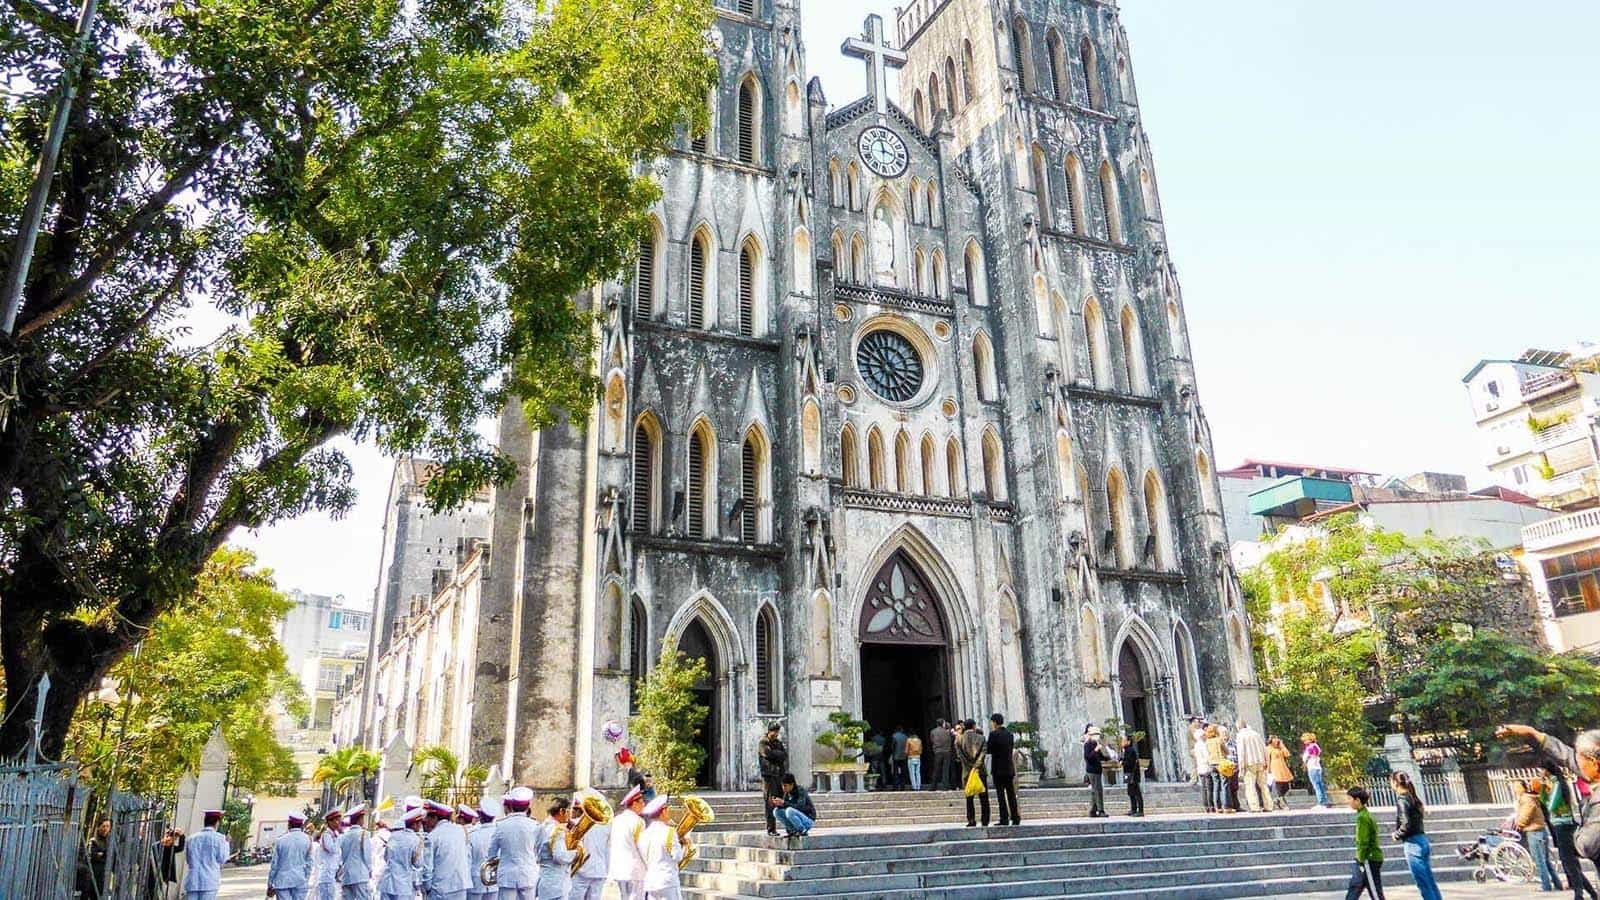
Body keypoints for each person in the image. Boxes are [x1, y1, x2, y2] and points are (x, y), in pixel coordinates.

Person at [1499, 724, 1600, 869]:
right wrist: (1532, 733)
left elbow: (1587, 846)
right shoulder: (1591, 767)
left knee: (1569, 865)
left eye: (1579, 759)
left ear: (1594, 763)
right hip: (1560, 822)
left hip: (1563, 823)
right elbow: (1566, 756)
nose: (1577, 764)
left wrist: (1572, 831)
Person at [1541, 761, 1599, 900]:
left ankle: (1579, 894)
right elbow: (1544, 801)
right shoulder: (1552, 784)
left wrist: (1544, 789)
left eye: (1541, 770)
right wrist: (1543, 788)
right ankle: (1590, 892)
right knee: (1570, 863)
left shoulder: (1556, 784)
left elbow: (1551, 806)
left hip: (1564, 827)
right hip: (1561, 826)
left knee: (1570, 863)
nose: (1540, 773)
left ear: (1546, 770)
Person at [1389, 772, 1442, 900]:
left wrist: (1397, 834)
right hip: (1422, 840)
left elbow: (1406, 824)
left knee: (1423, 884)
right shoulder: (1413, 798)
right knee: (1429, 881)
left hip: (1413, 843)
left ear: (1395, 783)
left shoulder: (1402, 800)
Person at [489, 786, 540, 900]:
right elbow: (539, 852)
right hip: (528, 875)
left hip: (507, 876)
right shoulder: (535, 825)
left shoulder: (501, 825)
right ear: (528, 807)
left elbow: (491, 853)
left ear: (511, 806)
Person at [1517, 778, 1562, 893]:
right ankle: (1557, 883)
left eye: (1517, 787)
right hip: (1541, 831)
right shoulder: (1533, 798)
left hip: (1534, 832)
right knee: (1545, 860)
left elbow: (1525, 815)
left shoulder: (1527, 799)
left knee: (1539, 861)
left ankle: (1545, 885)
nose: (1515, 790)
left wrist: (1519, 824)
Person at [636, 795, 684, 900]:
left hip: (651, 881)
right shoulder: (669, 832)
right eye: (667, 810)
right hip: (667, 881)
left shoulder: (643, 834)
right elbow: (677, 856)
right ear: (663, 812)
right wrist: (684, 845)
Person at [424, 799, 473, 900]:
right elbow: (468, 857)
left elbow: (427, 868)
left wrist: (427, 887)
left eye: (428, 817)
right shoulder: (460, 830)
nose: (426, 820)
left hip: (441, 888)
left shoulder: (432, 837)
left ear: (435, 818)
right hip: (461, 885)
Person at [605, 786, 647, 900]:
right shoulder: (638, 822)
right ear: (634, 804)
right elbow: (642, 848)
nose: (643, 805)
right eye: (641, 802)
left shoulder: (616, 820)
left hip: (617, 869)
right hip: (635, 871)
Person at [1344, 787, 1385, 900]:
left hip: (1368, 859)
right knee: (1354, 887)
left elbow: (1363, 841)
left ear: (1357, 800)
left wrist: (1360, 859)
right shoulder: (1365, 814)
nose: (1348, 801)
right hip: (1366, 859)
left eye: (1350, 799)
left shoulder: (1362, 818)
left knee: (1374, 891)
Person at [534, 798, 577, 899]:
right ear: (562, 811)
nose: (570, 815)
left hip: (545, 878)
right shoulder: (557, 831)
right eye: (568, 811)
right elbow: (560, 857)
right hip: (556, 882)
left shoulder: (543, 826)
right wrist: (576, 852)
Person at [569, 793, 610, 900]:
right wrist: (606, 870)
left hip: (581, 871)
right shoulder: (607, 825)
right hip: (599, 870)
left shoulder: (576, 824)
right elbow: (608, 850)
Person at [377, 808, 424, 900]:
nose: (420, 826)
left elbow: (386, 857)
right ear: (414, 824)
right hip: (403, 885)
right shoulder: (416, 840)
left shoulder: (393, 836)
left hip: (387, 882)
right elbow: (418, 863)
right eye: (419, 824)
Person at [183, 809, 230, 900]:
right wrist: (227, 843)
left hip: (193, 881)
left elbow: (188, 860)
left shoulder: (191, 838)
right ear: (217, 823)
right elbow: (223, 859)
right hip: (209, 882)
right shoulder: (220, 839)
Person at [268, 813, 315, 900]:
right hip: (300, 879)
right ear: (302, 825)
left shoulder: (280, 840)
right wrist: (306, 878)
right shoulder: (308, 840)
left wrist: (270, 884)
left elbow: (274, 865)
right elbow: (309, 863)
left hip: (282, 881)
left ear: (289, 824)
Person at [956, 717, 990, 827]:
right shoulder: (981, 738)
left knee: (969, 797)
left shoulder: (959, 740)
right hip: (980, 771)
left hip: (967, 772)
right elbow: (983, 754)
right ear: (974, 726)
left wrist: (970, 767)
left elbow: (960, 756)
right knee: (984, 797)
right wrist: (976, 766)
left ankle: (971, 820)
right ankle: (985, 820)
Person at [987, 714, 1019, 826]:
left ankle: (1004, 818)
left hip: (998, 768)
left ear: (995, 722)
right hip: (1009, 768)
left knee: (1001, 795)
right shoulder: (1009, 734)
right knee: (1011, 794)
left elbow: (989, 749)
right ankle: (1015, 817)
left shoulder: (993, 734)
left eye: (992, 722)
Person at [338, 804, 374, 900]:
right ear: (359, 820)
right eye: (362, 818)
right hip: (360, 874)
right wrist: (370, 870)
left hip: (346, 874)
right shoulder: (364, 834)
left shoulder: (344, 836)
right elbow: (367, 855)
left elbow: (341, 855)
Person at [758, 723, 787, 836]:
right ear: (769, 731)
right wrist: (777, 754)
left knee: (781, 801)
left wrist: (775, 754)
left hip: (779, 775)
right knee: (770, 803)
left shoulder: (778, 743)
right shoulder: (763, 742)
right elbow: (767, 753)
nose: (776, 734)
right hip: (769, 776)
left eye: (777, 732)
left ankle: (788, 827)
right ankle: (771, 829)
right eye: (774, 731)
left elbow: (784, 755)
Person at [467, 797, 499, 900]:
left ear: (480, 815)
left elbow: (468, 860)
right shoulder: (499, 832)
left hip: (475, 880)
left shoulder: (472, 835)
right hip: (495, 879)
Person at [1235, 720, 1269, 813]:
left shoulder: (1240, 736)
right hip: (1260, 761)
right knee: (1263, 785)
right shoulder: (1256, 734)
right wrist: (1266, 761)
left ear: (1238, 727)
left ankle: (1254, 807)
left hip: (1249, 763)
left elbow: (1241, 752)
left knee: (1250, 786)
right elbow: (1264, 748)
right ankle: (1268, 805)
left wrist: (1241, 767)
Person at [315, 811, 343, 900]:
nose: (339, 823)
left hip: (331, 874)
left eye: (339, 820)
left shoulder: (333, 834)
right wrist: (340, 836)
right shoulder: (326, 835)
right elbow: (333, 850)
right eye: (336, 820)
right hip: (326, 875)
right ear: (330, 822)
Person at [1083, 725, 1110, 818]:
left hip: (1097, 770)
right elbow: (1088, 757)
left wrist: (1108, 758)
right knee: (1098, 790)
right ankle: (1100, 810)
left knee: (1095, 790)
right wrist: (1095, 750)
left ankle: (1093, 810)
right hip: (1092, 770)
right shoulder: (1088, 745)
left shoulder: (1095, 744)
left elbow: (1100, 756)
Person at [1205, 725, 1230, 814]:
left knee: (1216, 785)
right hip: (1220, 763)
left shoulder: (1207, 742)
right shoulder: (1219, 740)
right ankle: (1226, 806)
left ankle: (1217, 807)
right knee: (1224, 784)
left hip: (1212, 764)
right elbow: (1227, 751)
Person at [1303, 732, 1331, 808]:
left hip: (1313, 768)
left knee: (1316, 786)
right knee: (1320, 785)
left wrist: (1305, 759)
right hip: (1317, 768)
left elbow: (1308, 756)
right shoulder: (1315, 746)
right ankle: (1325, 802)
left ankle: (1321, 802)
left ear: (1309, 740)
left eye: (1305, 740)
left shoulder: (1311, 747)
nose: (1304, 742)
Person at [156, 826, 185, 900]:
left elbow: (180, 848)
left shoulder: (168, 847)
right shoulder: (167, 847)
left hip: (163, 873)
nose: (174, 840)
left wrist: (181, 835)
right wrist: (181, 835)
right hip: (160, 872)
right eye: (175, 838)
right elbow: (181, 847)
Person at [1193, 725, 1214, 814]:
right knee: (1209, 788)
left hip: (1200, 768)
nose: (1205, 736)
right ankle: (1211, 805)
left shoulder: (1196, 745)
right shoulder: (1203, 745)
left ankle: (1206, 806)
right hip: (1206, 768)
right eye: (1204, 735)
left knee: (1203, 788)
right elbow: (1207, 756)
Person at [1268, 736, 1294, 811]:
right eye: (1275, 741)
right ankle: (1282, 802)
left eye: (1277, 740)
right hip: (1274, 767)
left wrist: (1282, 746)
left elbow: (1287, 754)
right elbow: (1267, 759)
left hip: (1283, 767)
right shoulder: (1269, 748)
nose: (1276, 742)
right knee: (1278, 785)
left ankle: (1278, 800)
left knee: (1286, 786)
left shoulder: (1280, 748)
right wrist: (1268, 770)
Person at [1121, 736, 1144, 817]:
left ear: (1128, 742)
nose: (1122, 742)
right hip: (1128, 774)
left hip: (1133, 774)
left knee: (1137, 792)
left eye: (1124, 741)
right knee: (1131, 792)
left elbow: (1130, 763)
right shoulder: (1126, 750)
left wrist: (1122, 763)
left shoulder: (1131, 750)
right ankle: (1133, 809)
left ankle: (1140, 811)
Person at [930, 719, 954, 791]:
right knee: (945, 770)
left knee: (936, 769)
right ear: (943, 724)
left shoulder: (933, 731)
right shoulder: (947, 732)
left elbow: (932, 741)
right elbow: (951, 740)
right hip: (947, 752)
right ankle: (945, 786)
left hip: (938, 752)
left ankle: (933, 786)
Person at [891, 725, 910, 790]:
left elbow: (892, 746)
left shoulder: (894, 736)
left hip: (896, 756)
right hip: (904, 756)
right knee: (903, 772)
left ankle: (895, 786)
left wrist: (893, 753)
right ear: (901, 730)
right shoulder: (905, 737)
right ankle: (902, 786)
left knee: (895, 772)